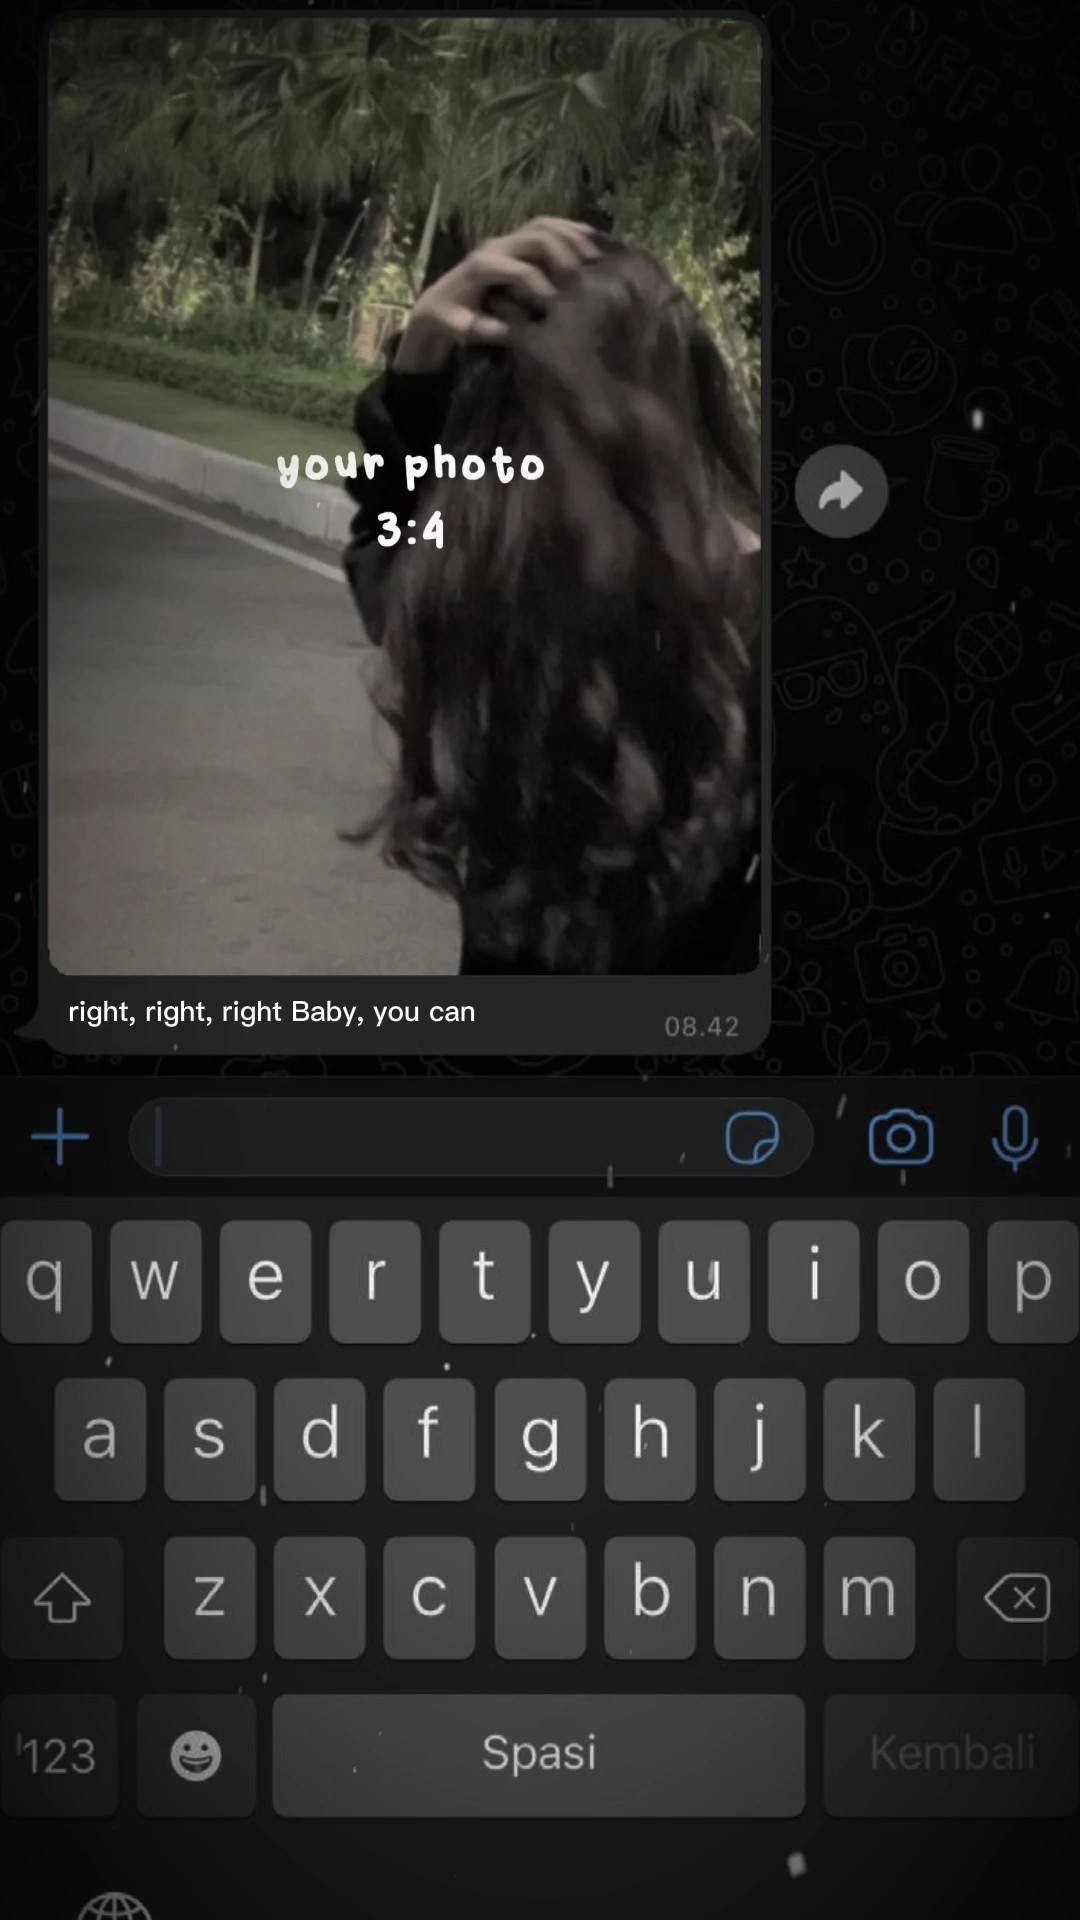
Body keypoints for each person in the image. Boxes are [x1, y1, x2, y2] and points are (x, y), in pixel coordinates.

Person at [342, 217, 761, 975]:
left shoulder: (467, 591)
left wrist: (419, 357)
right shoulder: (756, 611)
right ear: (684, 383)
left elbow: (388, 520)